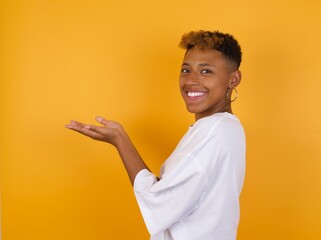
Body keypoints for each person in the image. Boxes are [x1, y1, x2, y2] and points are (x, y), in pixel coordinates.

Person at [65, 30, 246, 240]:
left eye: (206, 71)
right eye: (186, 70)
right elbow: (175, 195)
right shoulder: (225, 129)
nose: (191, 80)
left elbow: (159, 200)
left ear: (234, 79)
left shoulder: (214, 131)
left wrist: (120, 140)